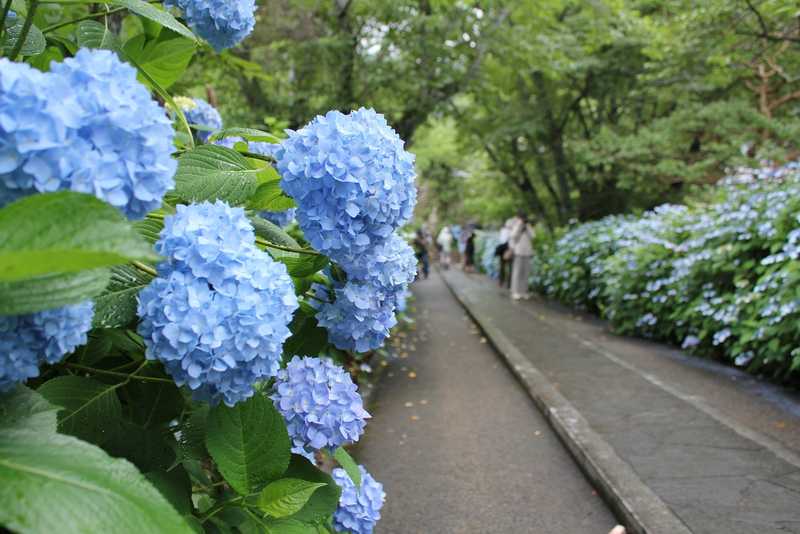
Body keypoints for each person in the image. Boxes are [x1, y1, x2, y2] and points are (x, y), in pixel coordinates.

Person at [509, 214, 535, 300]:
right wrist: (519, 226)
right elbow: (513, 236)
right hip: (518, 252)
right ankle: (515, 291)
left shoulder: (528, 226)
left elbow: (533, 236)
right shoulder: (516, 225)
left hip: (527, 252)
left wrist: (527, 227)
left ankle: (523, 291)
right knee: (517, 272)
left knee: (526, 273)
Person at [494, 217, 515, 288]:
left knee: (503, 267)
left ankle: (502, 282)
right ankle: (508, 283)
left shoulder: (504, 230)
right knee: (509, 267)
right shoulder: (510, 231)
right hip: (508, 249)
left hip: (504, 249)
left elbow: (502, 240)